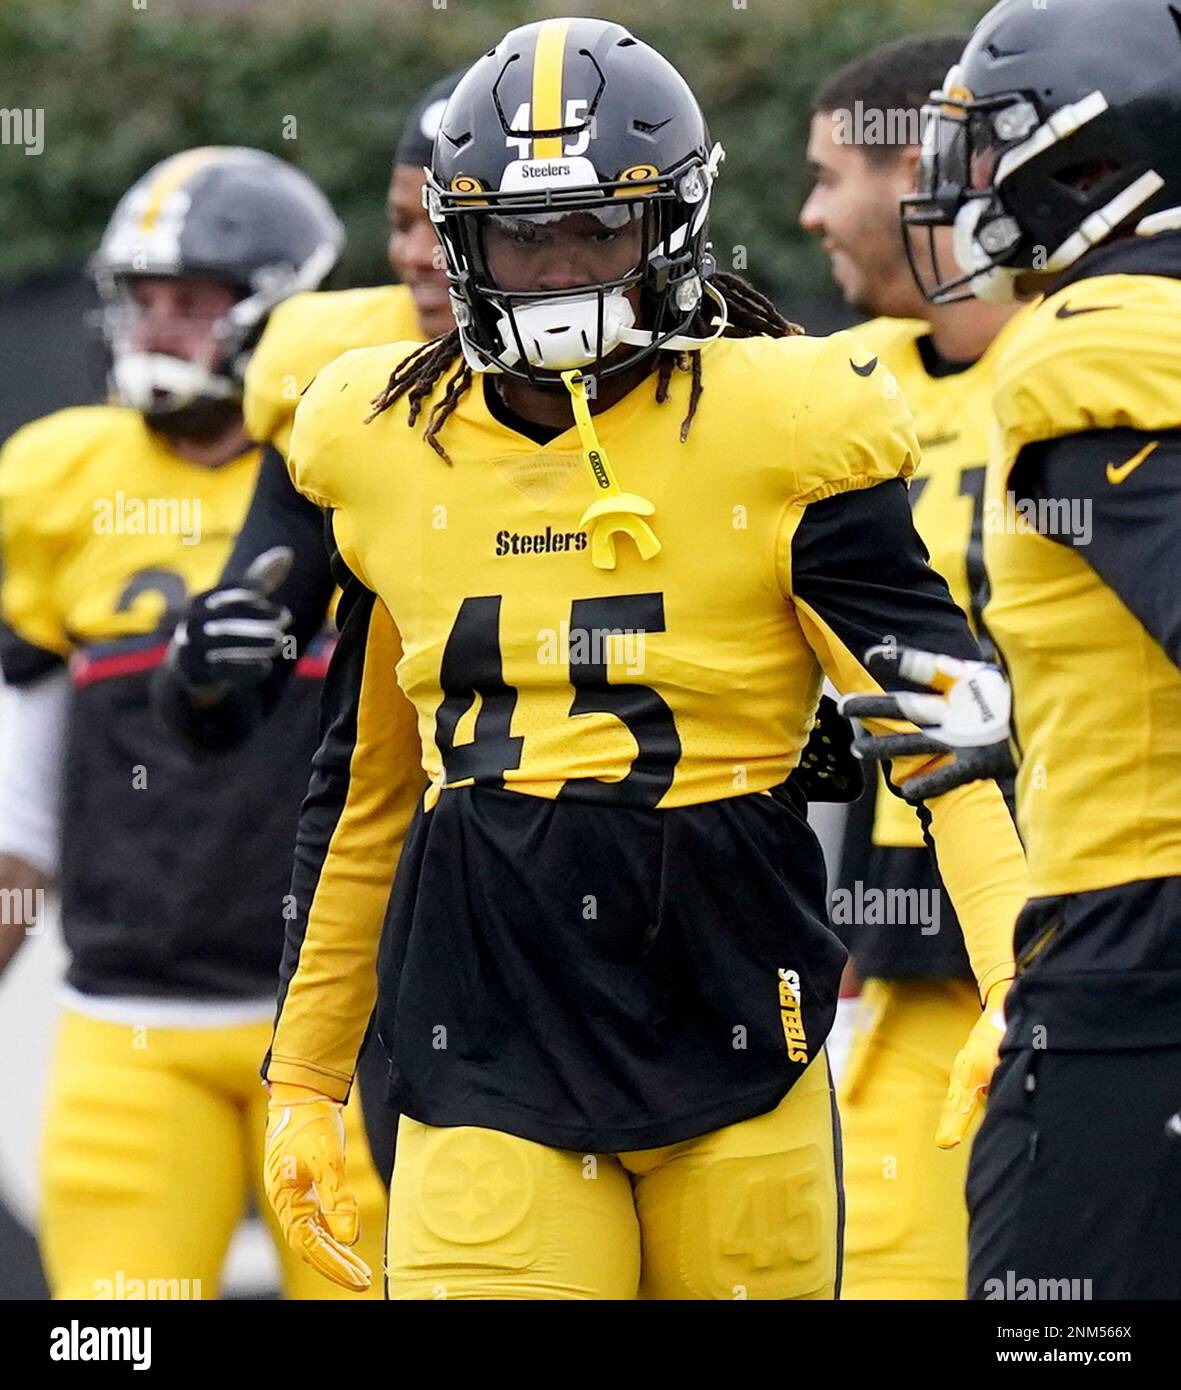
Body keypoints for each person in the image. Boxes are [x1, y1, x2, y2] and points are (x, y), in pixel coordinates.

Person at [260, 16, 1023, 1301]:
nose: (558, 270)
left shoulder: (785, 416)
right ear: (464, 240)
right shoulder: (385, 438)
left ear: (668, 226)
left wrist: (1010, 968)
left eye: (597, 231)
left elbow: (941, 724)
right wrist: (304, 1075)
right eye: (523, 235)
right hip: (485, 1017)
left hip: (733, 1000)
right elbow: (364, 791)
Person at [0, 147, 386, 1299]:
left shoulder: (353, 465)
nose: (161, 331)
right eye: (147, 301)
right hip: (132, 1022)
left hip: (350, 1032)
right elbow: (20, 776)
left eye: (196, 304)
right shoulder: (58, 477)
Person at [853, 0, 1181, 1299]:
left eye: (986, 146)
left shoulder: (1083, 347)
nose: (957, 184)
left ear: (1084, 156)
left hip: (1131, 948)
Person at [152, 74, 463, 1188]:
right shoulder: (342, 383)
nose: (419, 254)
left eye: (447, 219)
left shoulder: (674, 387)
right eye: (399, 223)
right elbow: (227, 697)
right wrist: (198, 670)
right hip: (421, 903)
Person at [800, 34, 1024, 1299]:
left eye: (829, 175)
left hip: (1102, 926)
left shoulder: (1097, 357)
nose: (808, 213)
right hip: (907, 948)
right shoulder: (839, 387)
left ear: (918, 173)